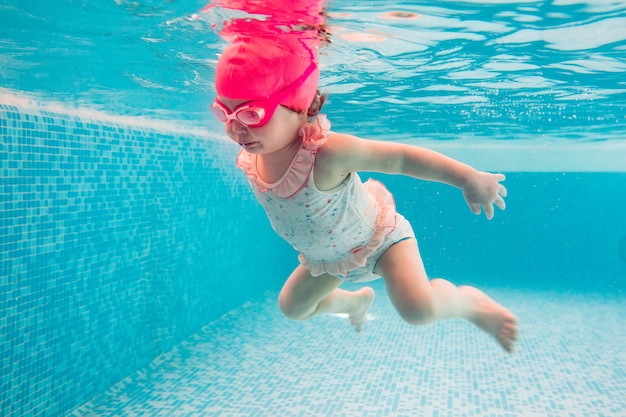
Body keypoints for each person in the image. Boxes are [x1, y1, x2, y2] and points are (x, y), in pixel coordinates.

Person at [211, 36, 518, 353]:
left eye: (252, 114)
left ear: (306, 105)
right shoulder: (250, 159)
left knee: (418, 310)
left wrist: (467, 178)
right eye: (225, 113)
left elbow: (400, 159)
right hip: (329, 259)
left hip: (381, 241)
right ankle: (354, 303)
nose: (236, 129)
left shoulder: (326, 153)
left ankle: (470, 304)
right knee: (293, 307)